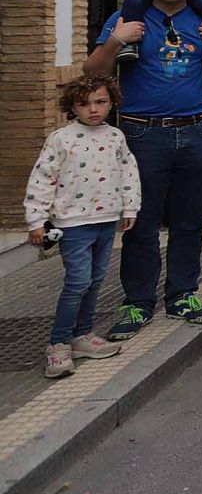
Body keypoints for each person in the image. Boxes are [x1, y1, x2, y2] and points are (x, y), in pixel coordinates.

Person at [83, 0, 202, 339]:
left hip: (198, 129)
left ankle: (183, 294)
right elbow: (93, 74)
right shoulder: (128, 19)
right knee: (141, 221)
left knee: (190, 219)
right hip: (142, 132)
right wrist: (115, 42)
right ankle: (138, 302)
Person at [25, 75, 140, 379]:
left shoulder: (116, 136)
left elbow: (129, 172)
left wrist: (130, 207)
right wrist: (35, 219)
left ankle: (82, 336)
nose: (93, 109)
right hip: (73, 224)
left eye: (101, 102)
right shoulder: (61, 139)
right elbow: (42, 179)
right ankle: (58, 344)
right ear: (72, 106)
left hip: (105, 221)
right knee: (77, 282)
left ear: (112, 102)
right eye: (84, 103)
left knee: (96, 279)